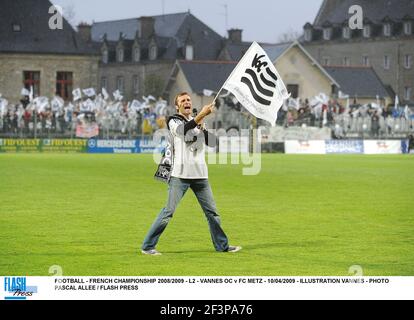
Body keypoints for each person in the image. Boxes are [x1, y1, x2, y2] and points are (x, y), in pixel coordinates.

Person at [141, 92, 242, 255]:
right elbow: (182, 131)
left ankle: (222, 246)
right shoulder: (173, 120)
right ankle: (147, 246)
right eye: (182, 100)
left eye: (188, 100)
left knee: (212, 213)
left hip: (200, 175)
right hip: (180, 175)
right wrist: (201, 116)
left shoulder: (197, 121)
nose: (186, 102)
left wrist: (202, 127)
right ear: (177, 106)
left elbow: (214, 143)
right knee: (168, 212)